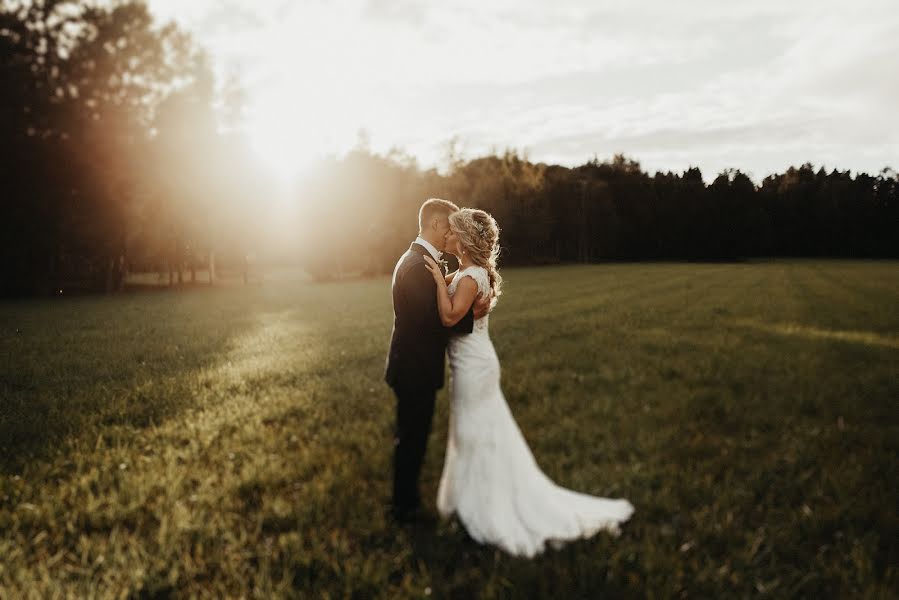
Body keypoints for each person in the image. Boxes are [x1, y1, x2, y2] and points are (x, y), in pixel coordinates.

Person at [421, 207, 634, 557]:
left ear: (466, 240)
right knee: (474, 434)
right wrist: (443, 278)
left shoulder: (472, 276)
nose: (449, 236)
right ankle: (471, 498)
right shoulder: (468, 273)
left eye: (454, 232)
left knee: (474, 435)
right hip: (474, 363)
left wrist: (433, 278)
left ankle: (486, 508)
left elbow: (447, 316)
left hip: (474, 367)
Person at [384, 199, 491, 522]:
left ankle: (406, 500)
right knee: (412, 437)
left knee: (413, 434)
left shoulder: (421, 261)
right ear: (434, 225)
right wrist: (473, 314)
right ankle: (404, 506)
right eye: (448, 227)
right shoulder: (417, 266)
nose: (450, 235)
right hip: (414, 368)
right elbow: (431, 320)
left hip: (414, 365)